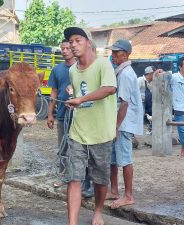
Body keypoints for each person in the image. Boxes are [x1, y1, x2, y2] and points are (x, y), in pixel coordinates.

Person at [64, 26, 117, 225]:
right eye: (71, 41)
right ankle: (73, 222)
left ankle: (97, 211)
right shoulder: (72, 71)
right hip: (78, 133)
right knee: (74, 178)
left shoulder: (103, 64)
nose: (73, 45)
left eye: (77, 40)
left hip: (102, 133)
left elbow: (109, 89)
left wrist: (81, 99)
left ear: (88, 42)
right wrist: (75, 103)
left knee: (100, 180)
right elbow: (79, 99)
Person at [105, 40, 143, 210]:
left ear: (126, 54)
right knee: (113, 158)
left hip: (124, 123)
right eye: (112, 52)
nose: (113, 55)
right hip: (120, 122)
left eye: (116, 53)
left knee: (125, 159)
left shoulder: (126, 74)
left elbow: (124, 104)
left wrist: (116, 126)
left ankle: (128, 195)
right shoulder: (121, 71)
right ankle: (113, 190)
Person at [47, 39, 76, 188]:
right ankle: (63, 176)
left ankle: (78, 178)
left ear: (73, 49)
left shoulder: (81, 68)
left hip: (80, 115)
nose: (64, 51)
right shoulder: (57, 69)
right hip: (63, 115)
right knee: (63, 146)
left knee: (79, 146)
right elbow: (53, 92)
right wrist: (50, 114)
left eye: (67, 48)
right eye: (62, 48)